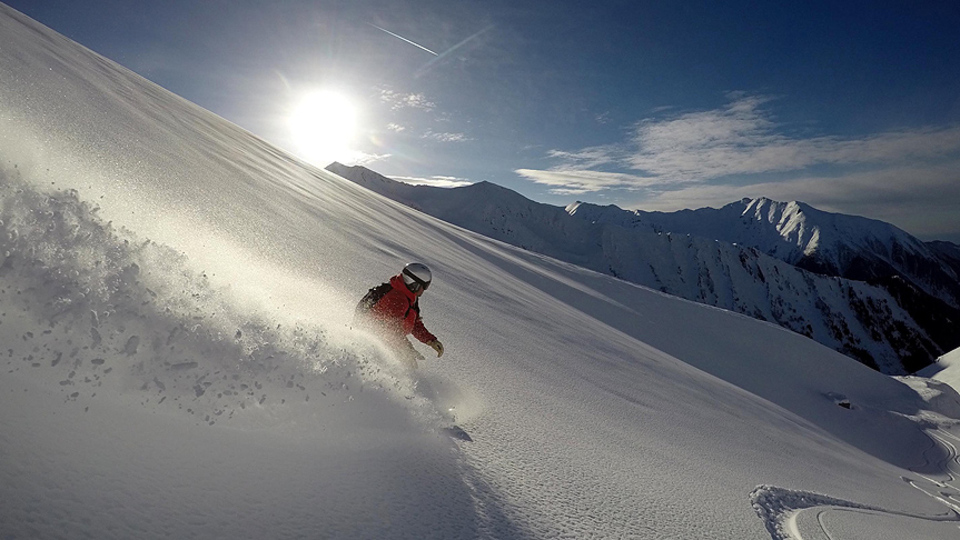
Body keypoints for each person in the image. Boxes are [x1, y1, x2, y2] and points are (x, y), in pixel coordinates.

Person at [355, 262, 444, 369]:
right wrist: (406, 348)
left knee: (409, 366)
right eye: (424, 286)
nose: (424, 290)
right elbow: (390, 329)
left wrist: (430, 340)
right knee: (406, 368)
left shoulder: (409, 297)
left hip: (389, 341)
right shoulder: (397, 299)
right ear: (414, 284)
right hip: (374, 341)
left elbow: (414, 323)